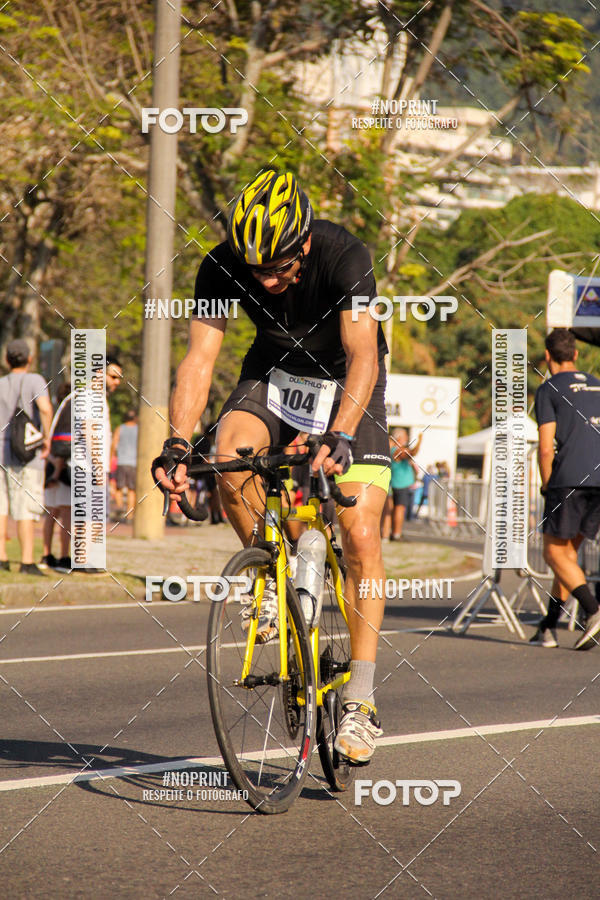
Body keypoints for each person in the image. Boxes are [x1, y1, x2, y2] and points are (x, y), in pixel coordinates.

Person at [154, 170, 391, 764]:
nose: (265, 279)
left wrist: (339, 435)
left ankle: (360, 701)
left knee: (359, 530)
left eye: (278, 267)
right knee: (230, 458)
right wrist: (177, 443)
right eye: (254, 268)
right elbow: (200, 359)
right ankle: (269, 576)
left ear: (305, 243)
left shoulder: (345, 255)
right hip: (275, 374)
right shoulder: (219, 266)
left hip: (345, 382)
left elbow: (363, 354)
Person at [530, 328, 600, 650]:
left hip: (569, 478)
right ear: (575, 354)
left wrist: (547, 486)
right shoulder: (598, 384)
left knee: (553, 552)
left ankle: (592, 610)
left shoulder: (548, 389)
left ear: (548, 356)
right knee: (568, 556)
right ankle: (548, 625)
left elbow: (546, 449)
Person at [0, 339, 52, 575]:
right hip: (26, 454)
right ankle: (27, 561)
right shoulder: (35, 380)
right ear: (29, 358)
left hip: (1, 451)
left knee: (1, 507)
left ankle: (1, 557)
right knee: (25, 508)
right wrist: (47, 437)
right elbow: (45, 408)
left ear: (6, 360)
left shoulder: (1, 383)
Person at [42, 382, 72, 571]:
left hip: (50, 467)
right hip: (61, 471)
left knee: (51, 513)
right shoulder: (70, 411)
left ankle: (46, 555)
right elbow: (64, 445)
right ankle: (64, 556)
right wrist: (57, 471)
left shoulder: (56, 413)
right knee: (67, 512)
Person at [382, 428, 421, 540]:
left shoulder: (393, 449)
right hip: (399, 484)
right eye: (405, 437)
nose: (407, 439)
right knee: (399, 509)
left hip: (397, 483)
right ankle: (396, 534)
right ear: (399, 438)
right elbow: (413, 453)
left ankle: (393, 533)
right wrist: (420, 441)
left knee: (393, 510)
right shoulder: (397, 450)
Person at [111, 409, 138, 520]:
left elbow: (114, 444)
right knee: (132, 490)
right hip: (134, 463)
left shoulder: (120, 428)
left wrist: (111, 456)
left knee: (119, 488)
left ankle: (120, 509)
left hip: (121, 462)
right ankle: (129, 514)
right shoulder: (139, 429)